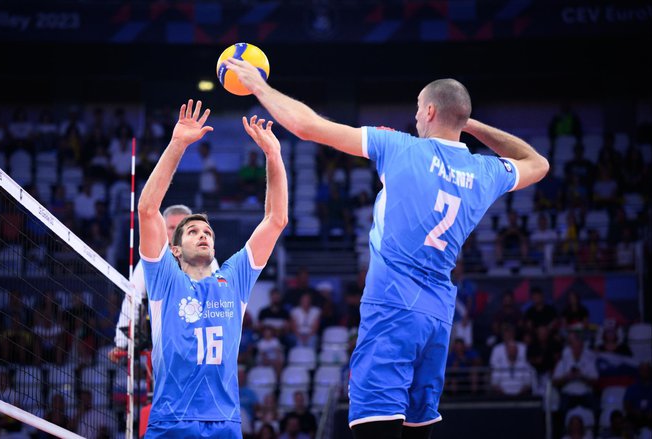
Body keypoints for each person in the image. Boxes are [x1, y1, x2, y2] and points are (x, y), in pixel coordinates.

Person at [224, 60, 549, 439]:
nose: (414, 117)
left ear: (429, 111)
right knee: (416, 426)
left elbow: (306, 127)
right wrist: (468, 124)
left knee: (375, 424)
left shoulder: (400, 147)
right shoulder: (485, 171)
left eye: (417, 108)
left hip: (393, 305)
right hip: (438, 315)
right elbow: (538, 164)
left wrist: (259, 87)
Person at [137, 100, 288, 438]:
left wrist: (273, 156)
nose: (203, 235)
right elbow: (148, 210)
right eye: (192, 231)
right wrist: (177, 144)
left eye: (207, 232)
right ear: (175, 249)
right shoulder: (164, 279)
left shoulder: (233, 278)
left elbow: (276, 220)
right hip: (170, 421)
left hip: (224, 423)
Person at [108, 203, 220, 363]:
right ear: (163, 230)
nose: (175, 232)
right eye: (171, 227)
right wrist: (122, 343)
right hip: (162, 341)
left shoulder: (208, 260)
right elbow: (132, 299)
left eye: (181, 227)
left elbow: (216, 301)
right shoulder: (152, 260)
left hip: (198, 341)